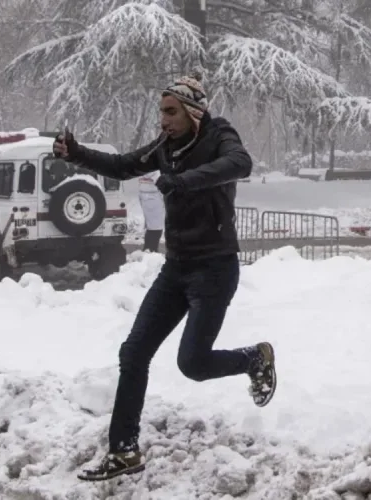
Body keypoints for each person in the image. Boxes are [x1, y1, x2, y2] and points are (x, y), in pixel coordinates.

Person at [52, 72, 276, 481]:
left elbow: (239, 164)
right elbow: (122, 166)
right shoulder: (164, 146)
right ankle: (124, 452)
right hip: (176, 267)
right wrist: (76, 153)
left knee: (192, 363)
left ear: (193, 111)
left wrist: (184, 182)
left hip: (214, 267)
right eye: (161, 111)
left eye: (171, 111)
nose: (163, 119)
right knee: (133, 353)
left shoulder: (218, 134)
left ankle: (254, 358)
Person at [137, 170, 165, 252]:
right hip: (153, 196)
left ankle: (148, 250)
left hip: (147, 194)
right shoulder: (154, 170)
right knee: (156, 227)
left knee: (152, 227)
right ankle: (151, 250)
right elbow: (161, 181)